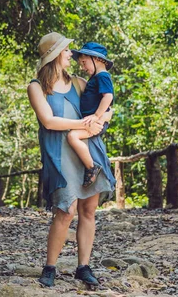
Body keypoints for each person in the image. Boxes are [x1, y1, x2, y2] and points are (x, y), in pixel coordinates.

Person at [27, 32, 116, 288]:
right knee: (65, 211)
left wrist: (100, 121)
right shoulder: (36, 87)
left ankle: (83, 267)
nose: (71, 55)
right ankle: (50, 267)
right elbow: (49, 121)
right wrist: (84, 123)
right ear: (55, 55)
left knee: (88, 211)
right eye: (67, 51)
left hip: (87, 148)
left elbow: (107, 106)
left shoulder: (79, 82)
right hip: (60, 152)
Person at [67, 42, 115, 188]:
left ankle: (91, 167)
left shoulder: (102, 76)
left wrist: (96, 115)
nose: (82, 67)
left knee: (72, 136)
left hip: (97, 121)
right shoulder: (96, 78)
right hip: (95, 120)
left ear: (97, 59)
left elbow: (108, 97)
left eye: (84, 62)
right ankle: (90, 166)